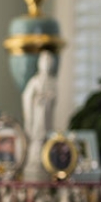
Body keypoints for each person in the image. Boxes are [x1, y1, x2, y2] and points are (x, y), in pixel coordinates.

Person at [22, 50, 57, 178]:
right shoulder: (35, 81)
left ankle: (46, 161)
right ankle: (35, 160)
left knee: (47, 136)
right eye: (44, 62)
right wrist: (38, 100)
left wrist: (49, 99)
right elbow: (27, 97)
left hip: (47, 114)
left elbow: (54, 98)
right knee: (37, 137)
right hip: (38, 114)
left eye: (49, 62)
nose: (47, 65)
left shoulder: (52, 81)